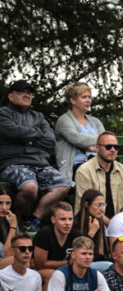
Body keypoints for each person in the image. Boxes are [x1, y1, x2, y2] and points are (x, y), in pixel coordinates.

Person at [0, 80, 72, 231]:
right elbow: (12, 132)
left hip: (39, 163)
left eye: (29, 93)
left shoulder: (38, 117)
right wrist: (37, 136)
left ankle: (34, 219)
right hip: (13, 162)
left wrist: (26, 139)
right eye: (22, 92)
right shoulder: (3, 113)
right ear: (11, 96)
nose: (27, 95)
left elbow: (50, 141)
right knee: (29, 187)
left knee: (63, 185)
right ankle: (22, 216)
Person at [74, 131, 123, 220]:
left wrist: (121, 225)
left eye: (116, 147)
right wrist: (110, 225)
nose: (113, 150)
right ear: (97, 148)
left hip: (120, 224)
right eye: (108, 147)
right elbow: (87, 207)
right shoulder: (84, 171)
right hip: (91, 221)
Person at [54, 81, 105, 185]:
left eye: (89, 97)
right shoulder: (64, 120)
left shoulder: (95, 121)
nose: (88, 101)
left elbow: (106, 141)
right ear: (72, 100)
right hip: (76, 166)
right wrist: (96, 140)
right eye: (84, 97)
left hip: (99, 163)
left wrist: (90, 146)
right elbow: (77, 138)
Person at [32, 202, 82, 287]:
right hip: (40, 272)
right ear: (53, 220)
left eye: (70, 219)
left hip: (66, 270)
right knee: (51, 274)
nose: (67, 223)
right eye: (63, 219)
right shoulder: (44, 234)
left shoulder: (76, 235)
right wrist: (67, 262)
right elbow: (40, 265)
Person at [75, 189, 113, 272]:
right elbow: (81, 252)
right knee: (109, 266)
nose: (102, 209)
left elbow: (102, 254)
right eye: (99, 205)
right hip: (80, 264)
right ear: (86, 204)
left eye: (103, 205)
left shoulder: (100, 222)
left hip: (96, 262)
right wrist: (91, 233)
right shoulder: (75, 224)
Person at [0, 186, 18, 268]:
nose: (4, 207)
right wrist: (13, 227)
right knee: (15, 260)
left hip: (6, 265)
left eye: (8, 203)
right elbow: (8, 254)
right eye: (0, 203)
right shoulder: (13, 223)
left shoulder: (11, 220)